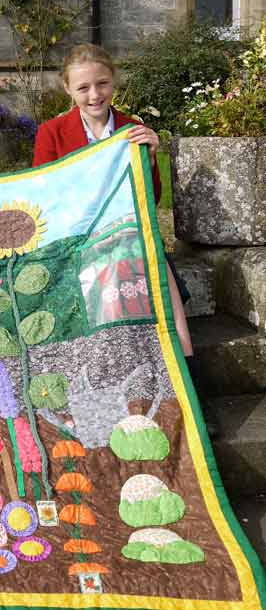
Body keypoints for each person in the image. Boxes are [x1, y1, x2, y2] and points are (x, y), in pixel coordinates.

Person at [32, 43, 217, 438]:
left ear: (114, 81)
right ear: (68, 89)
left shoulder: (131, 127)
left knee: (167, 300)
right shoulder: (52, 133)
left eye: (102, 84)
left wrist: (150, 158)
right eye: (83, 88)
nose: (94, 95)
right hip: (79, 243)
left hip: (132, 235)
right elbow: (42, 195)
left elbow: (149, 198)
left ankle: (194, 402)